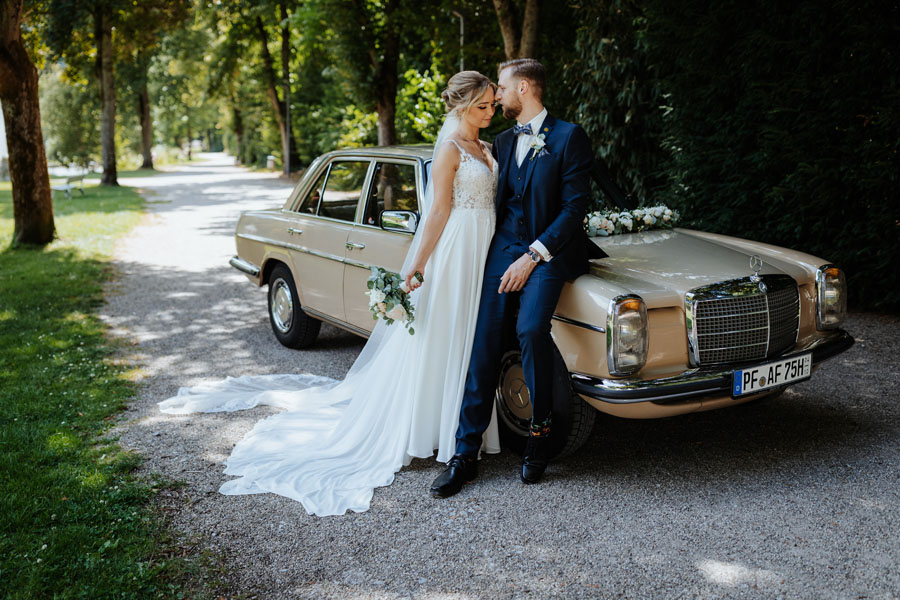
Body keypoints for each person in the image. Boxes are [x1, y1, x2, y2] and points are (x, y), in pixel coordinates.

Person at [158, 71, 501, 516]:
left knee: (473, 339)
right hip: (455, 251)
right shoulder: (448, 149)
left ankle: (465, 428)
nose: (491, 112)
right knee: (446, 335)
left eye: (493, 104)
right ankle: (433, 434)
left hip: (486, 249)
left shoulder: (489, 149)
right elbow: (436, 212)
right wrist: (416, 266)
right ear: (459, 107)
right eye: (482, 106)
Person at [430, 58, 605, 498]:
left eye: (503, 88)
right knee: (483, 339)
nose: (498, 96)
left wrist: (533, 255)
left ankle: (539, 437)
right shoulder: (502, 143)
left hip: (549, 253)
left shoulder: (569, 137)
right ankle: (464, 454)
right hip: (501, 250)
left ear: (524, 88)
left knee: (529, 329)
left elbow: (573, 209)